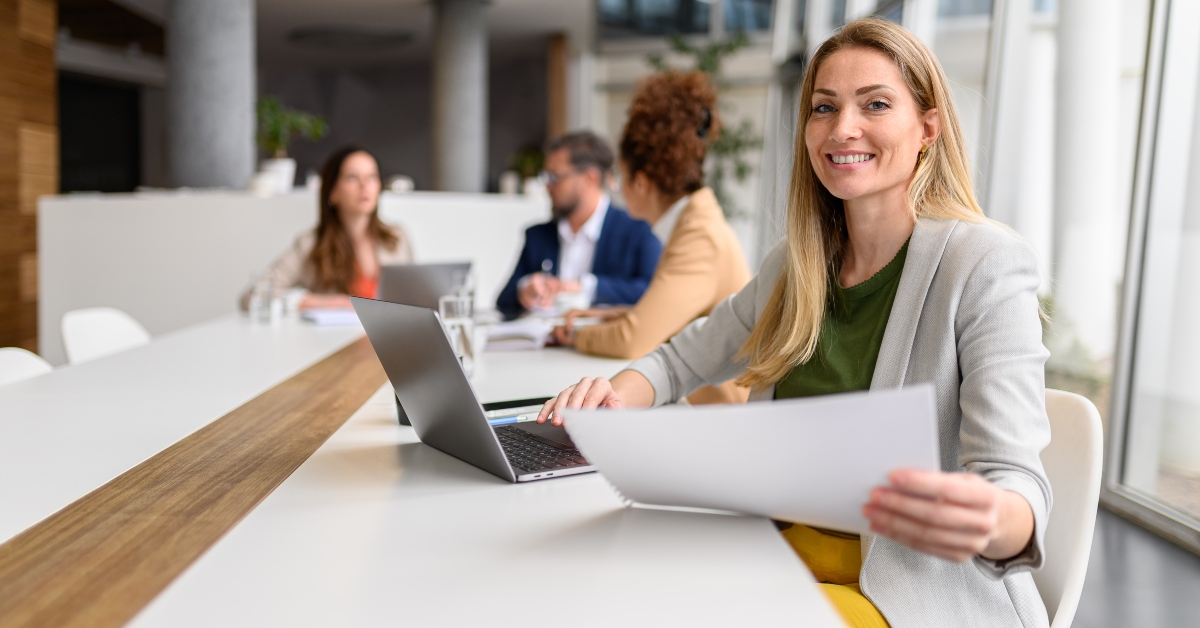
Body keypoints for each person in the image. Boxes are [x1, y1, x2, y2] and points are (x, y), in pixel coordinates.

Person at [535, 18, 1052, 628]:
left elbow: (1016, 484)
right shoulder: (797, 267)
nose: (842, 129)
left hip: (904, 590)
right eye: (823, 107)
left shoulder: (984, 264)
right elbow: (678, 362)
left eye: (876, 105)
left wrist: (991, 516)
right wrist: (609, 394)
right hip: (773, 558)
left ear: (927, 129)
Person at [552, 71, 751, 406]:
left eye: (620, 177)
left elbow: (634, 338)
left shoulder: (699, 236)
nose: (616, 188)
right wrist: (604, 317)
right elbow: (671, 317)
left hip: (719, 418)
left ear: (641, 183)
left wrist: (574, 334)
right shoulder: (693, 223)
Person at [495, 132, 662, 320]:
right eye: (546, 177)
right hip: (542, 345)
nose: (547, 186)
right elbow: (503, 300)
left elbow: (653, 294)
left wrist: (584, 287)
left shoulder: (638, 231)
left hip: (601, 345)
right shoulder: (538, 235)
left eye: (555, 177)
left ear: (590, 178)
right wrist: (524, 290)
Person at [240, 146, 412, 311]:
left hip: (389, 339)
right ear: (333, 192)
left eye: (372, 177)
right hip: (337, 340)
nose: (364, 185)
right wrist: (318, 302)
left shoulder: (397, 239)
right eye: (352, 177)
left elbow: (413, 299)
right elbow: (252, 297)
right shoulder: (311, 244)